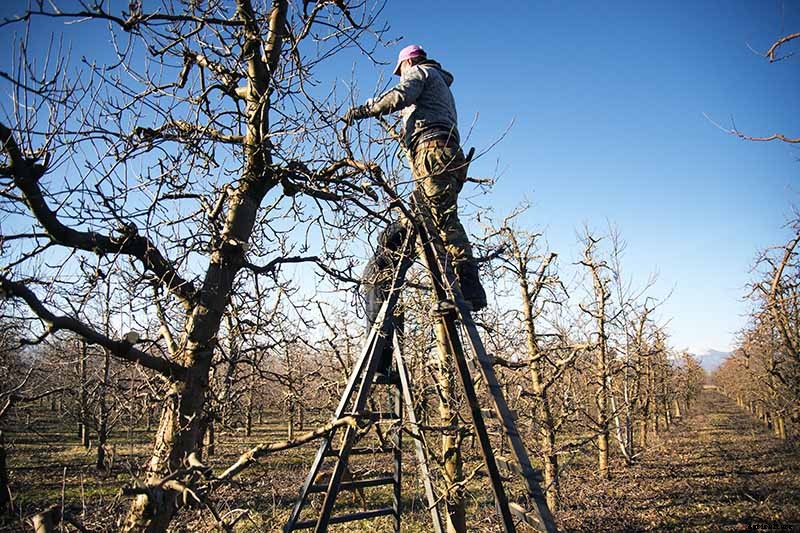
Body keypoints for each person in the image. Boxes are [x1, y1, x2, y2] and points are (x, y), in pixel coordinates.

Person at [346, 44, 487, 313]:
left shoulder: (420, 73)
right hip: (445, 154)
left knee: (443, 220)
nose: (400, 76)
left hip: (433, 152)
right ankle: (455, 290)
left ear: (408, 63)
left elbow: (400, 95)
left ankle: (468, 289)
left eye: (400, 71)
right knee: (433, 219)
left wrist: (366, 110)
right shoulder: (440, 87)